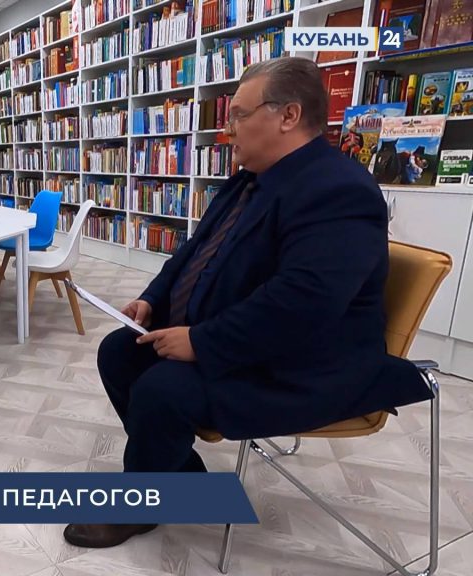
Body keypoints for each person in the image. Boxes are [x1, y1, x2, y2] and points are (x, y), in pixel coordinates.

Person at [64, 57, 433, 548]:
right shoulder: (250, 177)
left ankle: (143, 502)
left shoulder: (338, 190)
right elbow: (193, 251)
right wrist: (153, 299)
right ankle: (181, 484)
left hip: (303, 364)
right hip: (247, 339)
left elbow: (303, 304)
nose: (228, 128)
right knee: (119, 351)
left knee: (162, 390)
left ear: (288, 116)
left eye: (239, 114)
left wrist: (202, 341)